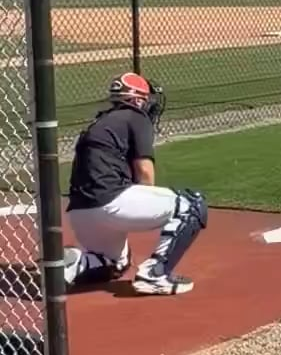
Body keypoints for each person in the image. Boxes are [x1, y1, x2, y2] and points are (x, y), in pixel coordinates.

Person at [63, 72, 207, 295]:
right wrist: (148, 209)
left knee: (114, 263)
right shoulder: (135, 117)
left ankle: (76, 264)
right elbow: (144, 170)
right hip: (110, 201)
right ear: (137, 99)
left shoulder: (100, 122)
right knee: (191, 205)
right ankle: (155, 275)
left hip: (80, 212)